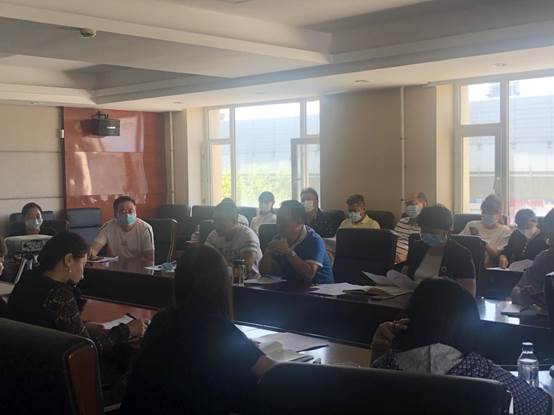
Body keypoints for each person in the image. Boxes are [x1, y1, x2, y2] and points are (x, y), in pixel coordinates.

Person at [121, 245, 274, 415]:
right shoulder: (221, 331)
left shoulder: (161, 320)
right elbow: (275, 372)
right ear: (221, 286)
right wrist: (248, 348)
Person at [370, 278, 551, 415]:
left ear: (409, 319)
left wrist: (378, 352)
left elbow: (365, 391)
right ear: (469, 327)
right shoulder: (485, 373)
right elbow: (543, 405)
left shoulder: (385, 367)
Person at [8, 232, 146, 359]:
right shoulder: (59, 294)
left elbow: (48, 325)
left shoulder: (27, 280)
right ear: (68, 260)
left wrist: (83, 326)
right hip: (53, 368)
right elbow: (87, 350)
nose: (83, 275)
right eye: (83, 264)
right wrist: (126, 330)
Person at [403, 205, 476, 296]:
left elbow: (468, 294)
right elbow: (405, 275)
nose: (427, 234)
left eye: (432, 232)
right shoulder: (416, 247)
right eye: (423, 231)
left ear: (446, 230)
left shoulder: (461, 254)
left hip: (444, 301)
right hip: (412, 297)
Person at [259, 200, 334, 284]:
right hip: (292, 287)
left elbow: (309, 275)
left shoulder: (314, 240)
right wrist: (267, 254)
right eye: (278, 219)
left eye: (283, 220)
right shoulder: (278, 238)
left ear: (299, 223)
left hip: (319, 289)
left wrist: (289, 252)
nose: (278, 224)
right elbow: (263, 273)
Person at [205, 200, 262, 277]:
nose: (215, 224)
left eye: (220, 221)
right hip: (222, 279)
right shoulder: (213, 235)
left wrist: (217, 265)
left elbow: (243, 270)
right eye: (214, 220)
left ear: (234, 221)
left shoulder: (247, 236)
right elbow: (205, 261)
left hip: (249, 281)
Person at [89, 196, 154, 262]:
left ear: (136, 212)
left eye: (130, 211)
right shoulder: (108, 227)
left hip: (138, 267)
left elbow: (149, 259)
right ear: (115, 214)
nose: (127, 215)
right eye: (123, 211)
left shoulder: (145, 228)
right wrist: (91, 254)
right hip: (115, 266)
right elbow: (93, 250)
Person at [512, 208, 554, 309]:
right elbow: (516, 291)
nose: (550, 243)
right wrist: (522, 294)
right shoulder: (545, 258)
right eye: (549, 238)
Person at [461, 194, 511, 268]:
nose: (487, 215)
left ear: (499, 214)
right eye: (484, 212)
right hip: (468, 264)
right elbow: (459, 243)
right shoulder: (472, 225)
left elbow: (495, 254)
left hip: (490, 267)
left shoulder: (505, 231)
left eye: (490, 213)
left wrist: (478, 238)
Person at [394, 192, 428, 263]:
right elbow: (392, 240)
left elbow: (425, 252)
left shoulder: (427, 227)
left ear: (424, 205)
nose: (409, 207)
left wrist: (407, 257)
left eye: (412, 204)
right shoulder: (401, 221)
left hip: (407, 261)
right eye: (407, 204)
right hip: (389, 256)